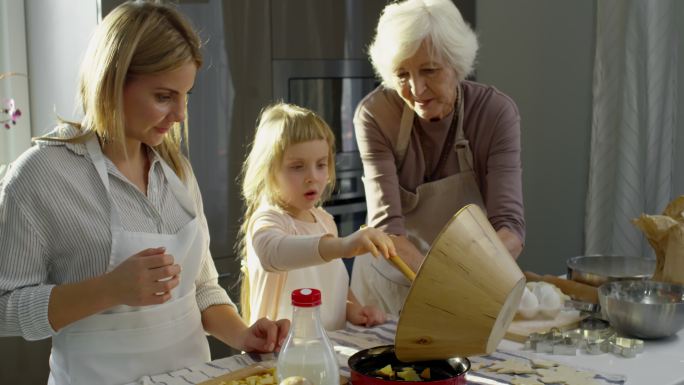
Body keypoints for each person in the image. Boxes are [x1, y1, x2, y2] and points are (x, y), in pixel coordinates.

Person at [0, 2, 288, 384]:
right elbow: (5, 307)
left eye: (186, 95)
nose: (181, 114)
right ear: (112, 82)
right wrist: (108, 289)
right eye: (164, 96)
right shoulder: (40, 175)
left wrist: (242, 333)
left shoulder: (176, 171)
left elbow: (201, 287)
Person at [350, 0, 526, 315]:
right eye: (402, 74)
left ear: (457, 63)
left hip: (471, 277)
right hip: (387, 290)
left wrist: (467, 281)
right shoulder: (376, 115)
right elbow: (388, 230)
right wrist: (442, 287)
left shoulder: (494, 113)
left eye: (429, 70)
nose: (416, 88)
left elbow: (510, 228)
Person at [239, 103, 396, 331]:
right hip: (279, 354)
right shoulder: (268, 220)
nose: (312, 177)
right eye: (297, 167)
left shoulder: (324, 220)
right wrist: (342, 246)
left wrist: (355, 310)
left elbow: (332, 280)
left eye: (321, 165)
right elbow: (272, 252)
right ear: (268, 170)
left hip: (328, 349)